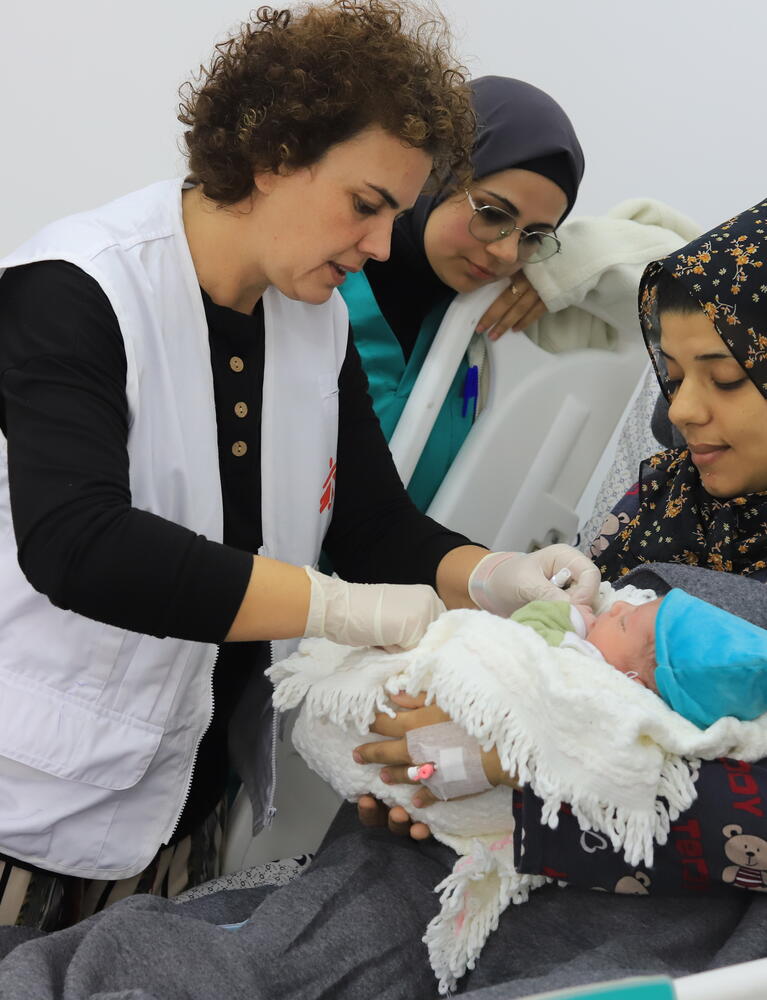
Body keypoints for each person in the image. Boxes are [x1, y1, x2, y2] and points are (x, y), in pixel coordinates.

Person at [0, 0, 601, 931]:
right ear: (271, 153)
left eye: (393, 214)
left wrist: (492, 575)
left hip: (176, 801)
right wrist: (338, 607)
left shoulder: (308, 320)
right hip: (26, 802)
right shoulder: (76, 289)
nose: (374, 246)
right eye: (366, 207)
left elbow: (371, 524)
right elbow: (77, 543)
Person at [340, 75, 585, 510]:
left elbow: (683, 278)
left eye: (533, 237)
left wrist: (566, 274)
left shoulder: (483, 319)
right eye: (492, 213)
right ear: (436, 174)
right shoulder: (317, 284)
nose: (507, 252)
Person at [514, 593, 767, 727]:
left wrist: (572, 616)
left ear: (633, 681)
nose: (619, 605)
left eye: (623, 622)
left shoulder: (587, 668)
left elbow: (521, 635)